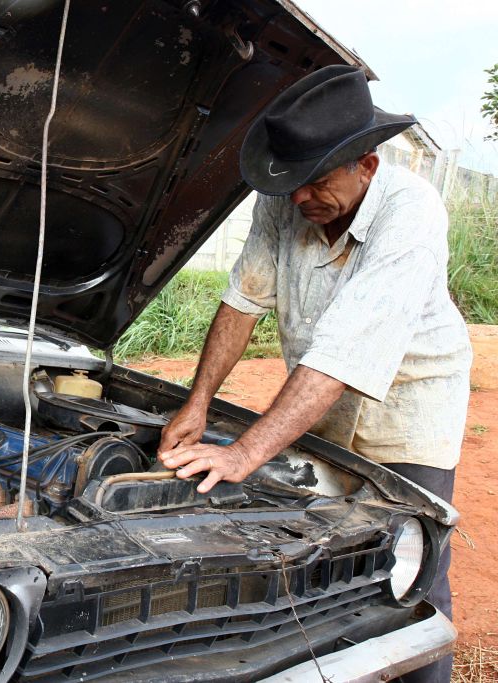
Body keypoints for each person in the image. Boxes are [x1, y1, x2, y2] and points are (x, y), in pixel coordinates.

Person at [157, 64, 471, 683]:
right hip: (320, 402)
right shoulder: (287, 200)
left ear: (368, 167)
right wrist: (197, 405)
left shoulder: (411, 213)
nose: (300, 198)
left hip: (409, 408)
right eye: (292, 182)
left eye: (316, 182)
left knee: (410, 567)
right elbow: (241, 301)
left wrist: (243, 452)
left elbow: (348, 352)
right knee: (311, 550)